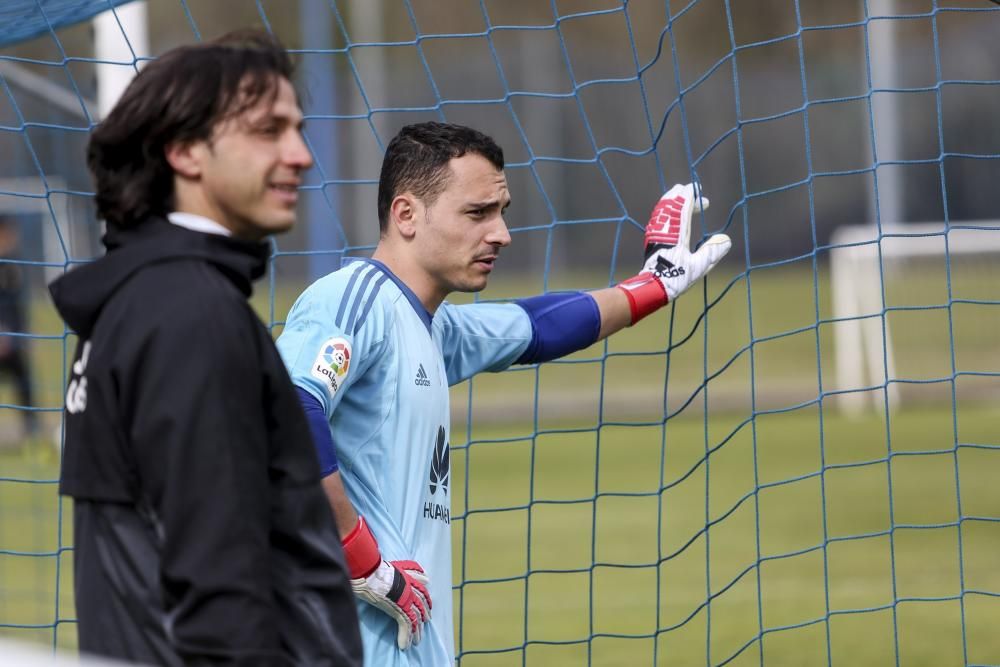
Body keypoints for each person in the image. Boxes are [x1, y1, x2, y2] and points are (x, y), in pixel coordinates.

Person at [276, 121, 731, 665]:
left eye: (501, 212)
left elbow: (537, 326)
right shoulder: (356, 299)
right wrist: (361, 558)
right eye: (477, 213)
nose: (500, 233)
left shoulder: (432, 328)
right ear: (406, 215)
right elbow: (288, 409)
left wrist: (653, 284)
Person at [47, 31, 362, 666]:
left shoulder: (136, 298)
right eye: (268, 131)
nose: (300, 154)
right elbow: (217, 583)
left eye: (296, 129)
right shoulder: (193, 315)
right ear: (186, 151)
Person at [0, 215, 38, 443]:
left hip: (13, 340)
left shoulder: (14, 263)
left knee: (24, 379)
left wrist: (24, 332)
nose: (12, 238)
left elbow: (18, 304)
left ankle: (32, 428)